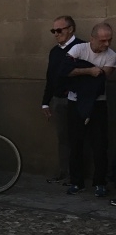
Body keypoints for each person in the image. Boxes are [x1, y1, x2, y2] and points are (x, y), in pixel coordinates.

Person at [64, 22, 116, 198]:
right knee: (75, 143)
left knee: (100, 144)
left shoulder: (111, 55)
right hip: (75, 102)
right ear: (92, 38)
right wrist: (89, 70)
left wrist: (79, 71)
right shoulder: (78, 49)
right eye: (103, 40)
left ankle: (100, 182)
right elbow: (65, 71)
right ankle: (76, 182)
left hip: (98, 103)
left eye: (109, 40)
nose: (107, 44)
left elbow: (101, 79)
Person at [42, 15, 83, 184]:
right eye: (53, 31)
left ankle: (76, 176)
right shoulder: (54, 51)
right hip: (59, 100)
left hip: (76, 100)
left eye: (59, 30)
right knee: (63, 138)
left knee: (77, 138)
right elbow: (50, 78)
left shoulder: (81, 47)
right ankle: (64, 172)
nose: (56, 34)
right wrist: (45, 102)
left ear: (70, 29)